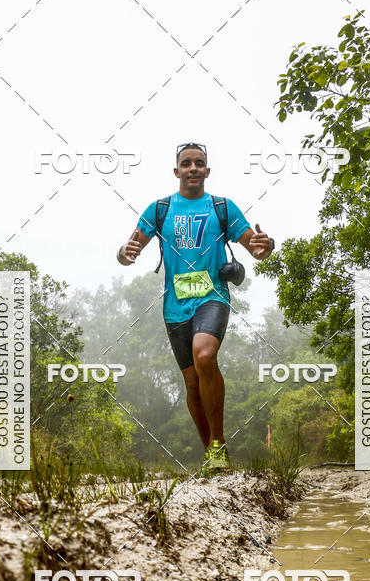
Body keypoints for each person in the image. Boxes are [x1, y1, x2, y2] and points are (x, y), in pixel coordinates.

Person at [117, 142, 274, 472]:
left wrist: (265, 245)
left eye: (198, 163)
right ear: (177, 171)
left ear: (207, 171)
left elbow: (255, 248)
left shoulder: (223, 208)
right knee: (191, 384)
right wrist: (124, 253)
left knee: (205, 355)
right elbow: (129, 250)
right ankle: (214, 454)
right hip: (174, 308)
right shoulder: (159, 210)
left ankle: (218, 441)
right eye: (186, 163)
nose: (192, 168)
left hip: (212, 298)